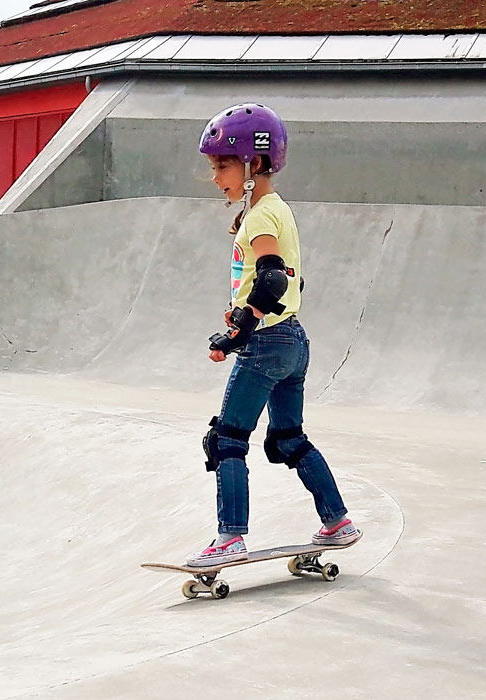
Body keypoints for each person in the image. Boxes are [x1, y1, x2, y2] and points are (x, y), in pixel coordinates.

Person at [186, 103, 360, 566]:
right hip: (293, 341)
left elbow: (272, 280)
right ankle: (337, 521)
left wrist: (240, 330)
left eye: (222, 164)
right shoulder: (279, 211)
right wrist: (247, 310)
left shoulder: (261, 216)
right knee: (288, 438)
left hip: (264, 345)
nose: (216, 176)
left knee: (226, 440)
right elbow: (293, 279)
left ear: (253, 164)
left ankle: (230, 538)